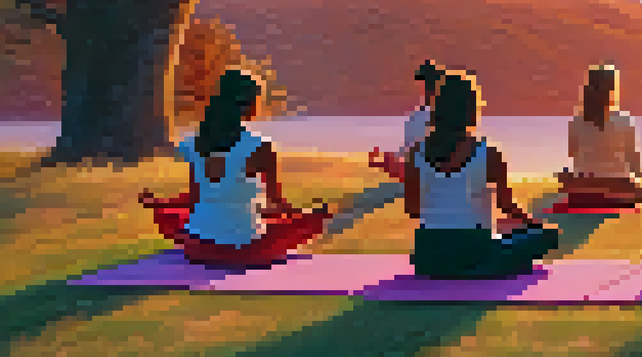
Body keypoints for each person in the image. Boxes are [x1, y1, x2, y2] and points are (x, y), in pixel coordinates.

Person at [140, 69, 331, 266]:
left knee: (180, 217)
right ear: (248, 104)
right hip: (244, 248)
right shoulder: (260, 147)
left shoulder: (194, 144)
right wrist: (310, 215)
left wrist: (160, 204)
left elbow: (194, 198)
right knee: (298, 224)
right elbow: (277, 205)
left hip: (197, 247)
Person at [404, 70, 560, 279]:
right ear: (472, 110)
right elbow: (506, 206)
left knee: (505, 236)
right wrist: (534, 223)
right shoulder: (488, 153)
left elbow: (413, 209)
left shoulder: (417, 152)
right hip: (474, 252)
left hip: (428, 255)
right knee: (546, 236)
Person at [556, 64, 642, 209]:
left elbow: (573, 155)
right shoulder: (624, 119)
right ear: (613, 90)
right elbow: (633, 163)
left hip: (584, 188)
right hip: (618, 188)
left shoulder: (577, 120)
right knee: (638, 189)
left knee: (567, 177)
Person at [371, 59, 444, 183]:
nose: (426, 89)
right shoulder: (419, 115)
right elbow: (409, 147)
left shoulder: (430, 115)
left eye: (428, 84)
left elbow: (411, 148)